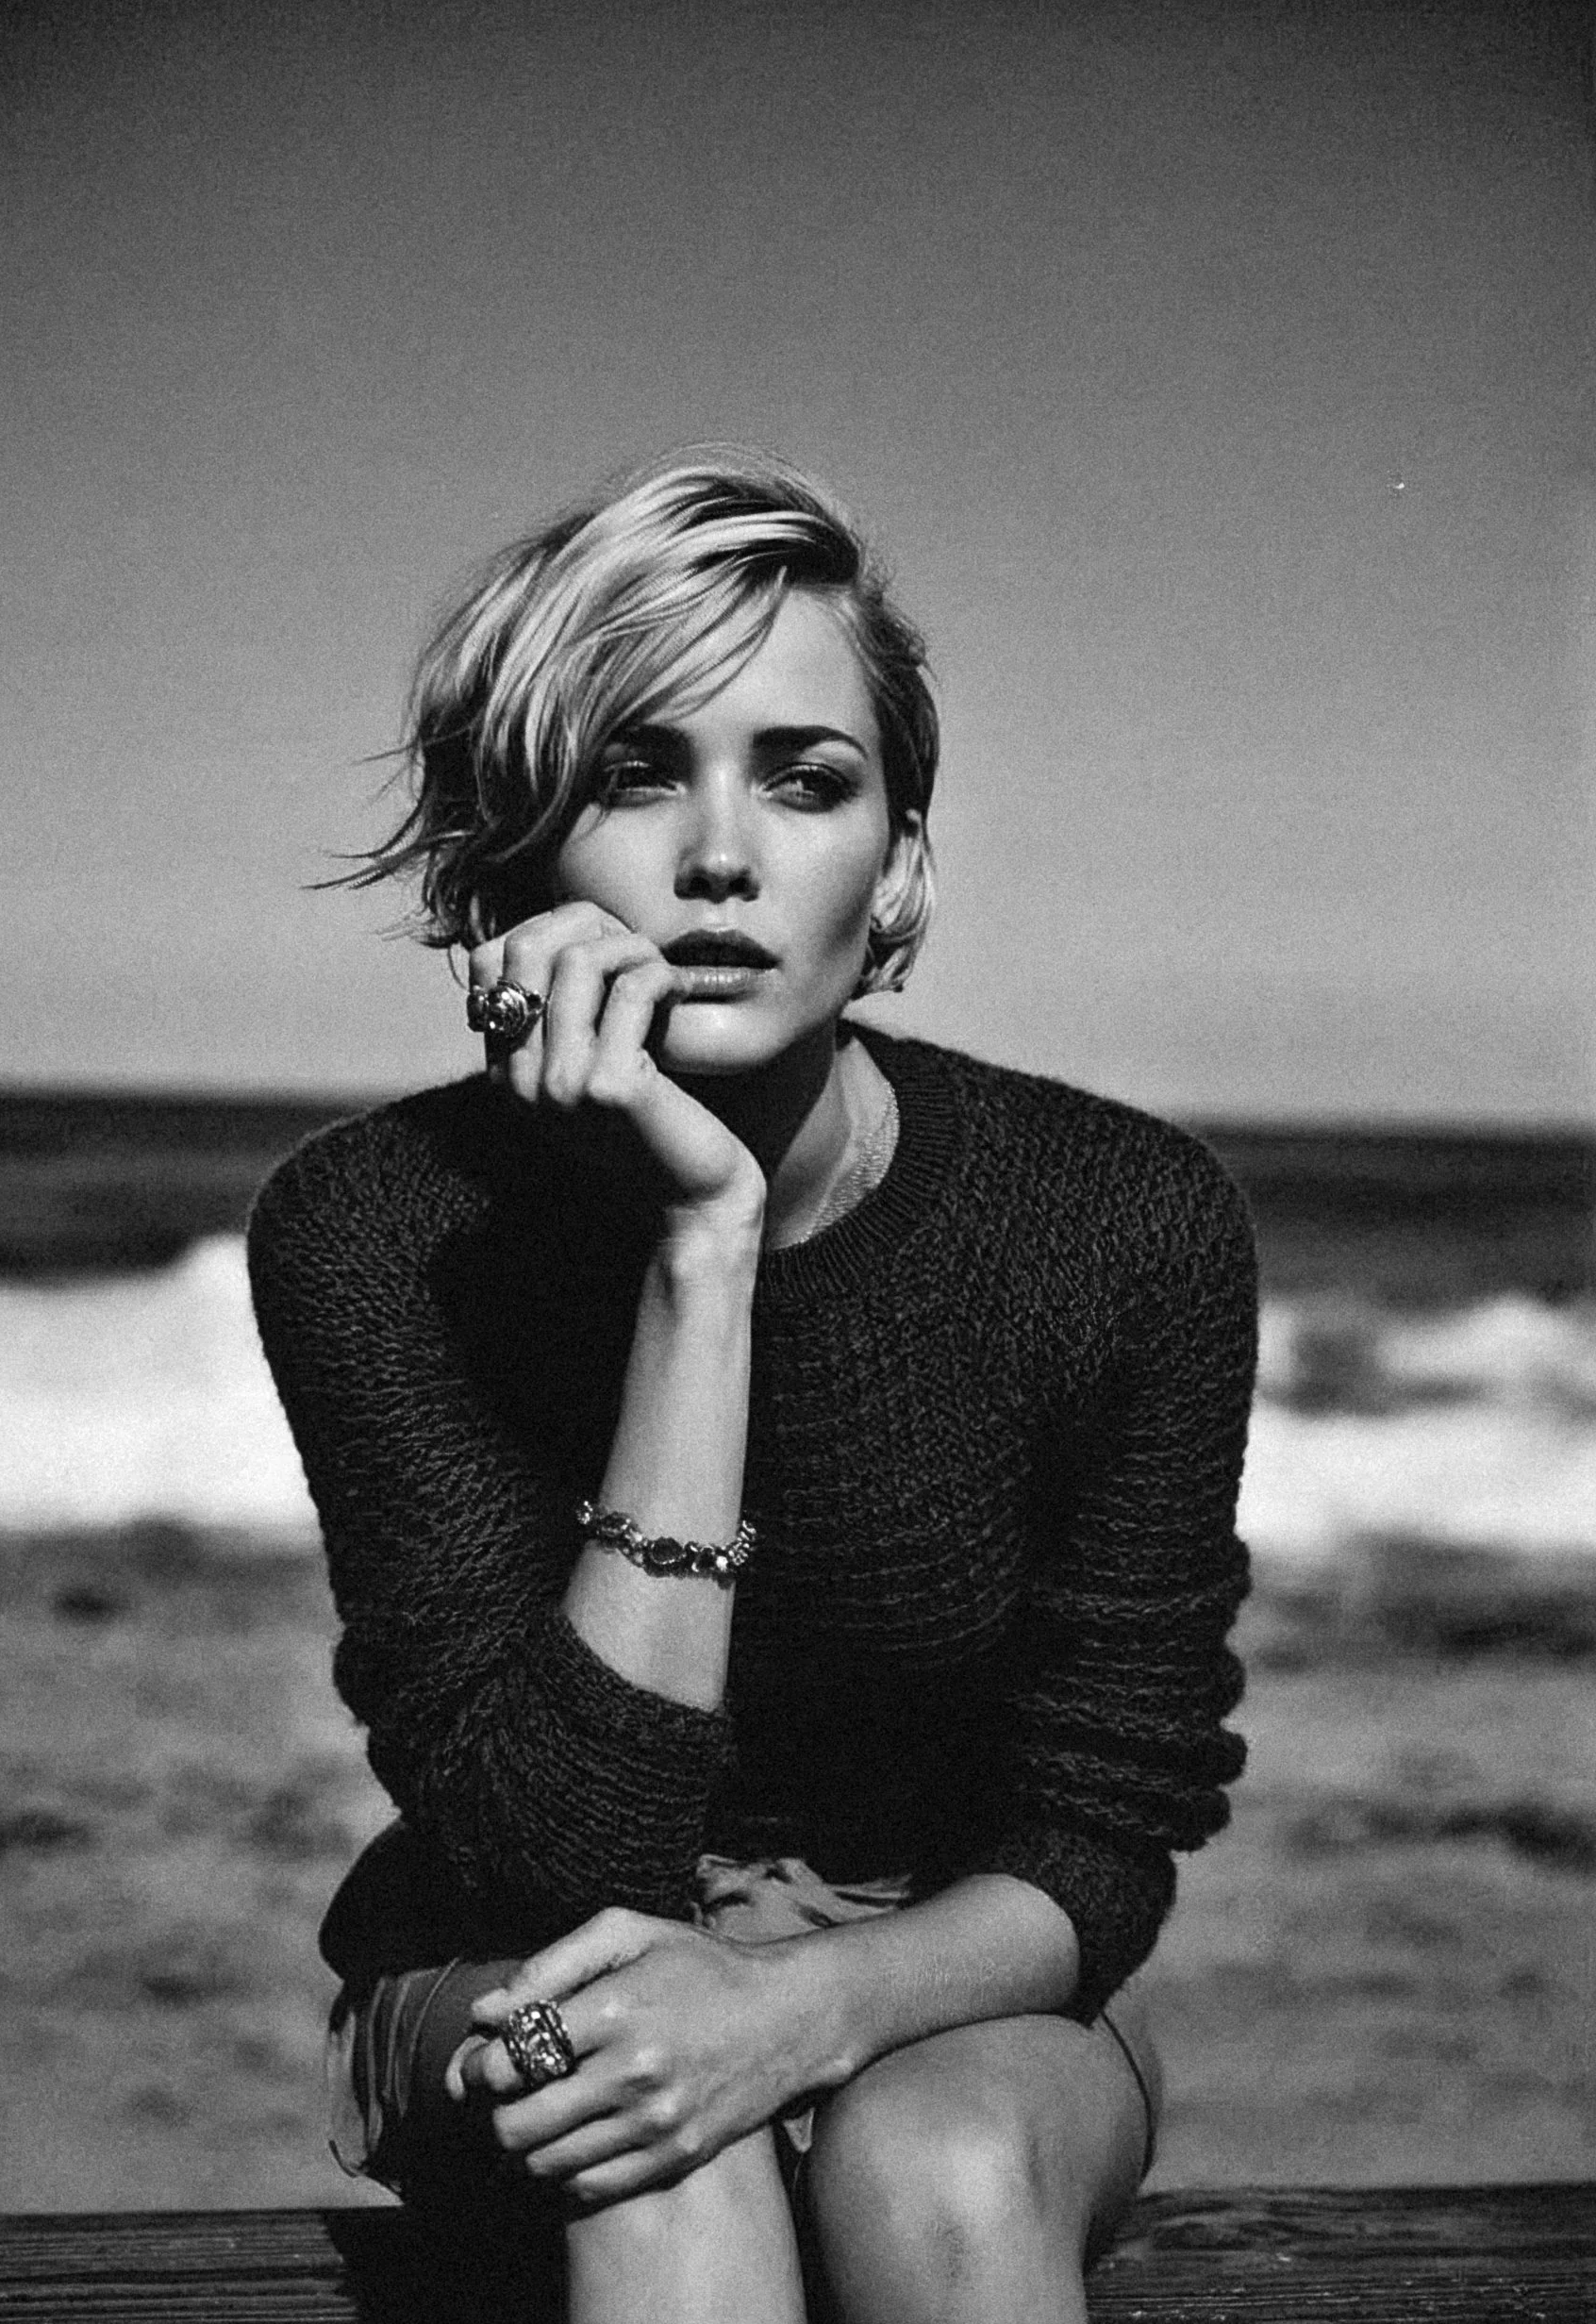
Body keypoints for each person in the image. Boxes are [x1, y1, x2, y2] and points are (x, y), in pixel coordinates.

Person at [246, 450, 1257, 2324]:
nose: (722, 854)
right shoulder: (372, 1228)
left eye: (805, 779)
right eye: (637, 773)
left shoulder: (1122, 1221)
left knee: (941, 2166)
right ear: (512, 858)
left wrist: (796, 2010)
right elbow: (561, 1859)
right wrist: (699, 1252)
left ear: (902, 864)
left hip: (955, 1974)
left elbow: (1102, 1831)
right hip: (511, 1960)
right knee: (644, 2121)